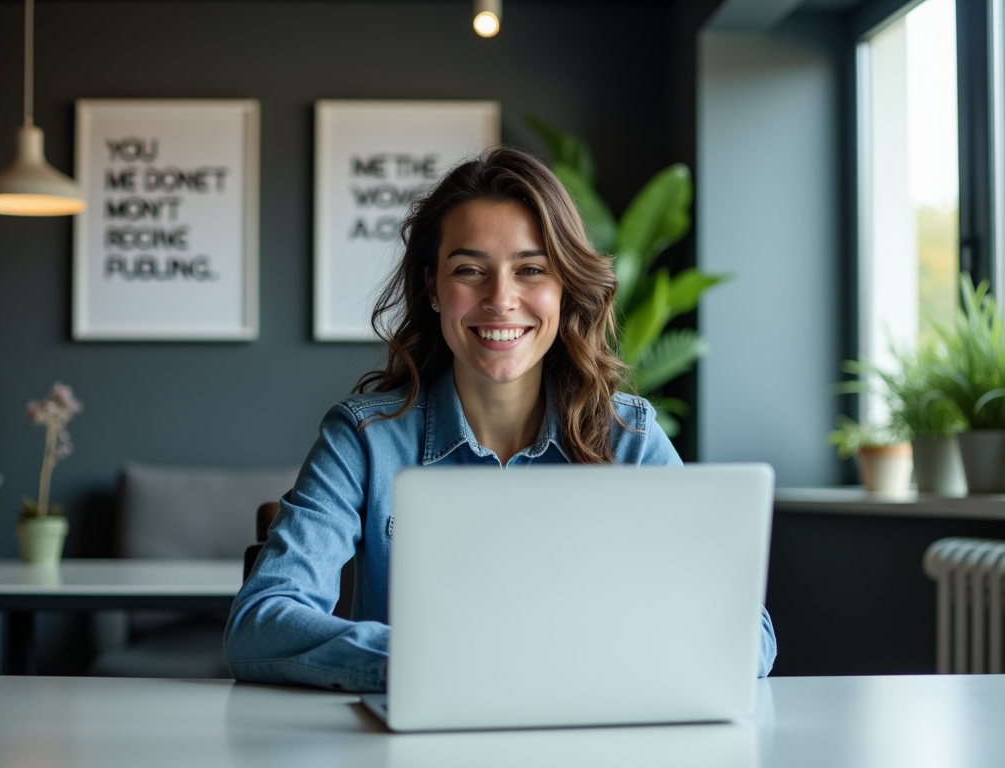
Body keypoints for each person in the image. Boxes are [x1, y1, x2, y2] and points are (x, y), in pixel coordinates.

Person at [224, 147, 777, 690]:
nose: (501, 299)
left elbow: (747, 633)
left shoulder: (627, 438)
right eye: (469, 270)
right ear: (431, 287)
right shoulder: (365, 440)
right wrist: (426, 663)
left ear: (564, 287)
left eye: (531, 269)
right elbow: (260, 621)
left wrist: (595, 664)